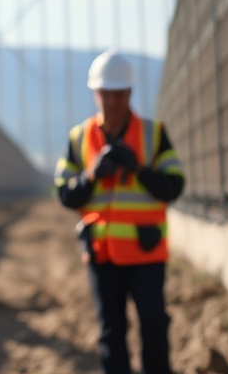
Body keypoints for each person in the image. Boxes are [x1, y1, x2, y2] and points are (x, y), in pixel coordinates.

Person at [54, 49, 185, 374]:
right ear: (95, 93)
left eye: (118, 94)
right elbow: (65, 194)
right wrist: (91, 176)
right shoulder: (79, 137)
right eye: (105, 94)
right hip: (101, 253)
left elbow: (174, 186)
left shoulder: (154, 134)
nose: (112, 102)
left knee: (154, 325)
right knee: (111, 332)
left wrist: (139, 169)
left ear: (129, 92)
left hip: (146, 251)